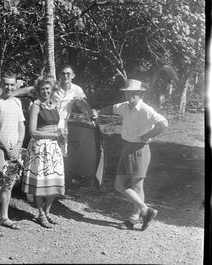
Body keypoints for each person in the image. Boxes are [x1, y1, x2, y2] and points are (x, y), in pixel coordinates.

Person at [92, 79, 168, 231]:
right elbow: (112, 108)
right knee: (119, 185)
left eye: (134, 93)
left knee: (137, 186)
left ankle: (133, 219)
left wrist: (148, 135)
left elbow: (164, 123)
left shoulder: (146, 109)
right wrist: (98, 112)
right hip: (126, 148)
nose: (130, 95)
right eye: (128, 92)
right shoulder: (125, 107)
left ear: (140, 94)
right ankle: (146, 211)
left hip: (140, 149)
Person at [22, 77, 65, 228]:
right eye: (42, 89)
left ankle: (47, 211)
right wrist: (52, 136)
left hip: (54, 147)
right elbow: (32, 131)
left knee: (54, 180)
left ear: (51, 89)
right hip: (40, 147)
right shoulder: (36, 106)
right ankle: (40, 214)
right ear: (38, 91)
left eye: (48, 88)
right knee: (40, 181)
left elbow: (56, 126)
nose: (46, 91)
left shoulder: (54, 104)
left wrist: (60, 136)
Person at [0, 74, 26, 237]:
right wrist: (7, 148)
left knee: (9, 184)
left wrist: (18, 145)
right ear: (1, 85)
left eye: (12, 85)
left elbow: (21, 126)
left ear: (15, 86)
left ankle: (4, 217)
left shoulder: (17, 102)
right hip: (1, 150)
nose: (9, 88)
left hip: (14, 151)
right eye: (6, 85)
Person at [52, 65, 94, 184]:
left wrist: (90, 115)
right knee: (50, 150)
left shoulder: (77, 89)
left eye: (68, 74)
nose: (65, 76)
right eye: (63, 73)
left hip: (63, 125)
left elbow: (85, 106)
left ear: (73, 76)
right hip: (49, 123)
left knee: (62, 151)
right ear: (59, 75)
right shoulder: (53, 87)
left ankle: (61, 180)